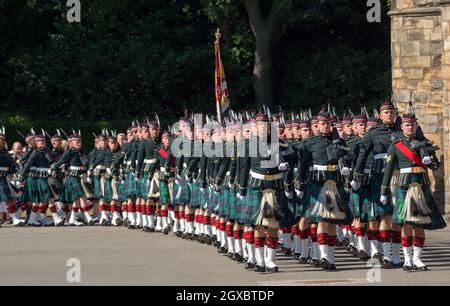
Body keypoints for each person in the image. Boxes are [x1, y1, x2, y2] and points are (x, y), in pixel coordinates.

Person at [381, 111, 446, 271]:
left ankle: (417, 259)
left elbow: (436, 167)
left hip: (422, 187)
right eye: (407, 124)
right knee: (406, 226)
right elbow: (388, 170)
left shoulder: (424, 143)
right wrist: (384, 191)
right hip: (405, 187)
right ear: (402, 126)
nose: (410, 127)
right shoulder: (396, 145)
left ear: (416, 125)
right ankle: (407, 260)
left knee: (420, 224)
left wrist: (430, 160)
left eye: (412, 124)